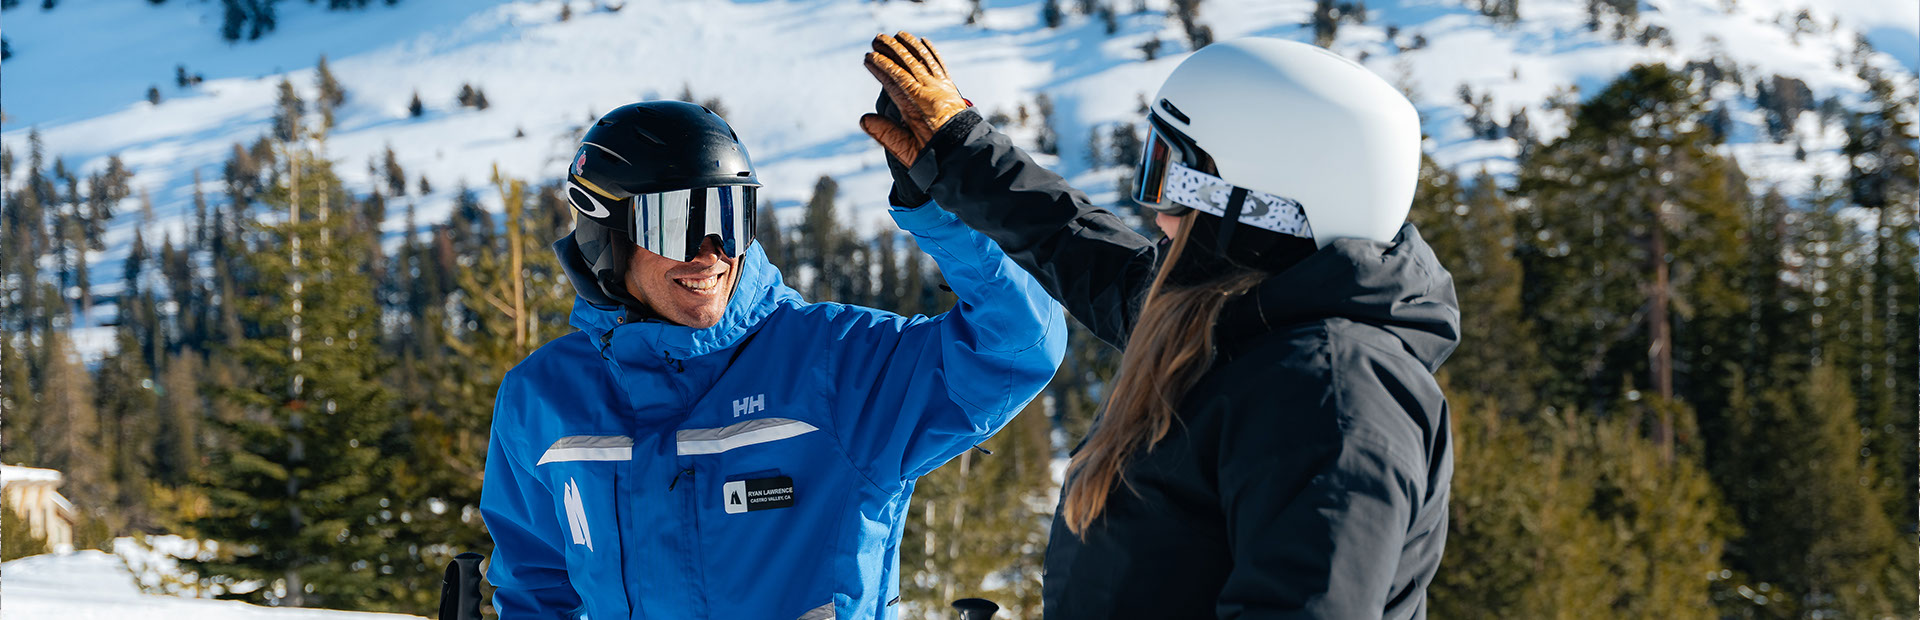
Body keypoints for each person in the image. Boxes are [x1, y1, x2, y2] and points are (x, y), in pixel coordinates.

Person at [861, 34, 1459, 618]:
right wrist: (960, 154)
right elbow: (1080, 248)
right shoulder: (1229, 322)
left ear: (1260, 205)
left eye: (1174, 182)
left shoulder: (1332, 399)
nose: (1158, 216)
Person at [480, 100, 1067, 619]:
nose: (711, 252)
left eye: (728, 218)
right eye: (679, 223)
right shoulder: (542, 399)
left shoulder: (834, 366)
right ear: (604, 235)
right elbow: (534, 589)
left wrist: (945, 198)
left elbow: (1017, 344)